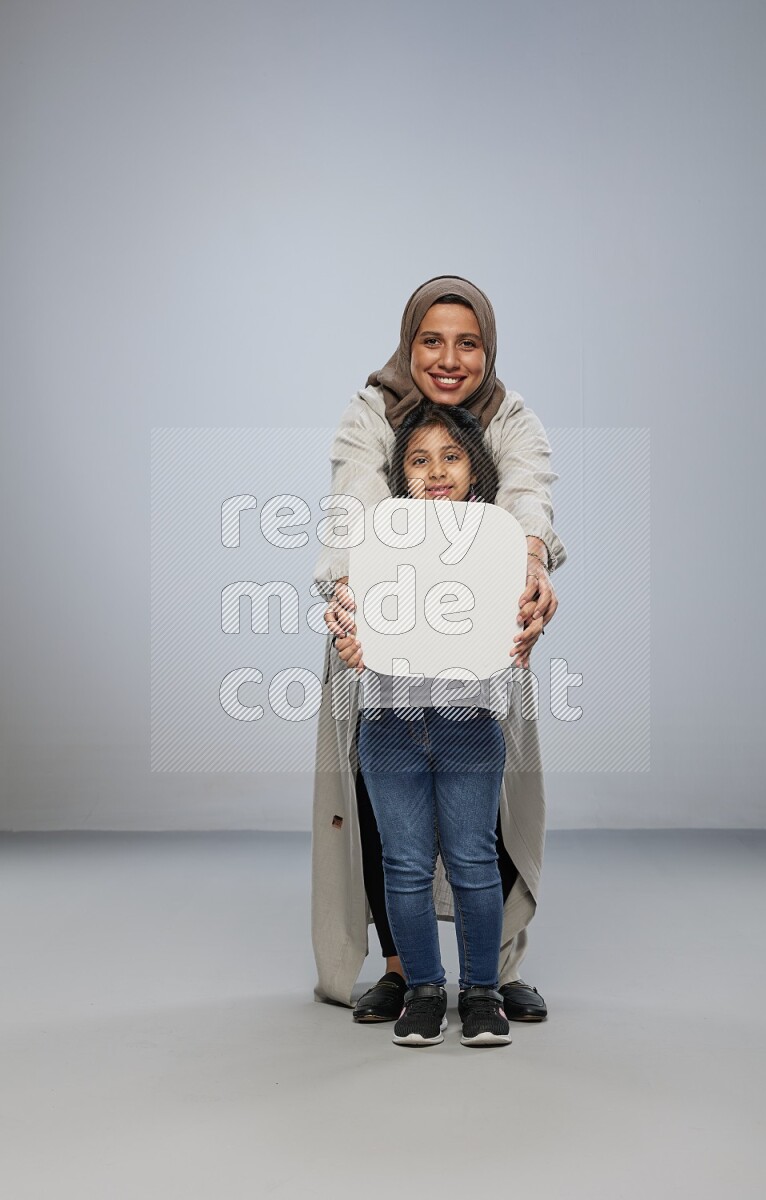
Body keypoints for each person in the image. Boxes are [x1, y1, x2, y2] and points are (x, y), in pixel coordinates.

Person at [312, 275, 566, 1023]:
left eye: (468, 342)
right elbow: (351, 504)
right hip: (377, 643)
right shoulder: (370, 413)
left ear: (488, 349)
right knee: (385, 815)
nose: (449, 358)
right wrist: (345, 593)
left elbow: (529, 492)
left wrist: (531, 562)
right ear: (408, 343)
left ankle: (493, 968)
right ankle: (403, 971)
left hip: (480, 655)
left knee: (488, 813)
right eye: (432, 340)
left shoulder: (510, 417)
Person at [337, 398, 520, 1046]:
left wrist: (519, 635)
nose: (435, 470)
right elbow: (347, 611)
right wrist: (348, 634)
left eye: (450, 457)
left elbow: (510, 629)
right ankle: (422, 990)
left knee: (473, 859)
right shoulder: (374, 538)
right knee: (405, 865)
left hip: (469, 722)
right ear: (398, 474)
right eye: (418, 459)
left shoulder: (499, 537)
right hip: (389, 720)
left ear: (476, 470)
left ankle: (481, 994)